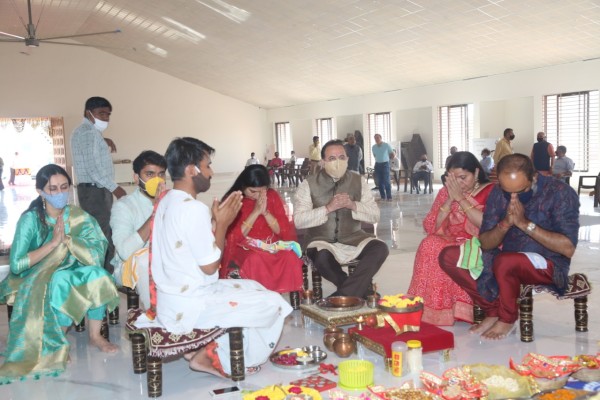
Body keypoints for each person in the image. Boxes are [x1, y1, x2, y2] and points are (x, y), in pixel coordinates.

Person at [133, 137, 292, 377]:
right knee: (275, 303)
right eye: (207, 165)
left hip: (169, 299)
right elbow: (210, 268)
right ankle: (211, 357)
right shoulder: (193, 209)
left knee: (253, 286)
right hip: (190, 304)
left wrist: (218, 224)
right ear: (191, 170)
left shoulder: (166, 200)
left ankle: (206, 347)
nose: (211, 172)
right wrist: (221, 225)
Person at [0, 164, 120, 384]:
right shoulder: (31, 220)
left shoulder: (76, 215)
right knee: (62, 280)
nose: (60, 193)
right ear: (40, 192)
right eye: (53, 188)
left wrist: (70, 242)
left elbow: (96, 250)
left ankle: (95, 336)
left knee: (99, 275)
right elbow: (17, 265)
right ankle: (56, 342)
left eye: (64, 187)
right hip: (37, 274)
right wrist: (54, 243)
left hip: (73, 266)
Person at [439, 154, 579, 340]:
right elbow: (487, 242)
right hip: (504, 255)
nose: (513, 198)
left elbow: (567, 248)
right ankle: (494, 309)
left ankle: (507, 318)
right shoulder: (497, 192)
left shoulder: (560, 193)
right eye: (508, 192)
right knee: (448, 256)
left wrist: (524, 224)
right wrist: (504, 224)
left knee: (506, 261)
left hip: (547, 261)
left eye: (520, 191)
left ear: (534, 177)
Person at [407, 152, 494, 325]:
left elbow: (488, 225)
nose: (458, 183)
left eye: (463, 177)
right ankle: (434, 309)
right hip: (452, 238)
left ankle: (463, 307)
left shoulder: (490, 191)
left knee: (447, 250)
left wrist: (461, 199)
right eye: (453, 179)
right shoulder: (446, 192)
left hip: (481, 242)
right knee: (429, 244)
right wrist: (448, 199)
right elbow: (431, 226)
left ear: (476, 173)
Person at [294, 139, 387, 299]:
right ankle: (361, 292)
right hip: (321, 239)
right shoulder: (308, 184)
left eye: (342, 157)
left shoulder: (359, 182)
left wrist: (353, 205)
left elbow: (375, 215)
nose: (338, 162)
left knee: (380, 248)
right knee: (322, 258)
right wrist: (328, 208)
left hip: (353, 237)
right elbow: (299, 220)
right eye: (332, 159)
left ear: (348, 159)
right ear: (323, 162)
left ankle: (340, 297)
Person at [220, 165, 303, 293]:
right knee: (255, 259)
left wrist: (265, 213)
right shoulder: (234, 200)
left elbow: (282, 230)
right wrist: (255, 212)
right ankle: (261, 297)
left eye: (262, 191)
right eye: (253, 191)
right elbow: (233, 237)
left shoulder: (272, 196)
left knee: (290, 256)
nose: (258, 196)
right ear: (243, 186)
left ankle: (283, 295)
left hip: (271, 244)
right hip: (244, 247)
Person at [70, 97, 126, 275]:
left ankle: (99, 275)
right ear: (89, 113)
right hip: (95, 191)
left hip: (94, 190)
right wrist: (115, 188)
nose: (106, 118)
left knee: (99, 233)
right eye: (102, 113)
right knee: (102, 236)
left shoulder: (88, 133)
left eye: (108, 114)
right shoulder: (88, 134)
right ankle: (103, 277)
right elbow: (93, 168)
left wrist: (103, 140)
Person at [110, 151, 167, 308]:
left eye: (161, 174)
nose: (157, 180)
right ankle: (156, 316)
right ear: (136, 178)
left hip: (165, 262)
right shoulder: (123, 206)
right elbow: (124, 251)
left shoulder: (171, 202)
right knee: (144, 260)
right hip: (129, 266)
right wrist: (156, 210)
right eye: (150, 174)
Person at [372, 134, 394, 201]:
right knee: (379, 181)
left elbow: (392, 154)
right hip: (377, 165)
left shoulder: (386, 145)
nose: (376, 139)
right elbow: (375, 155)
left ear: (381, 138)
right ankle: (383, 197)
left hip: (385, 164)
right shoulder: (373, 147)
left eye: (378, 137)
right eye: (375, 138)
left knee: (386, 181)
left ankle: (389, 197)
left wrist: (389, 159)